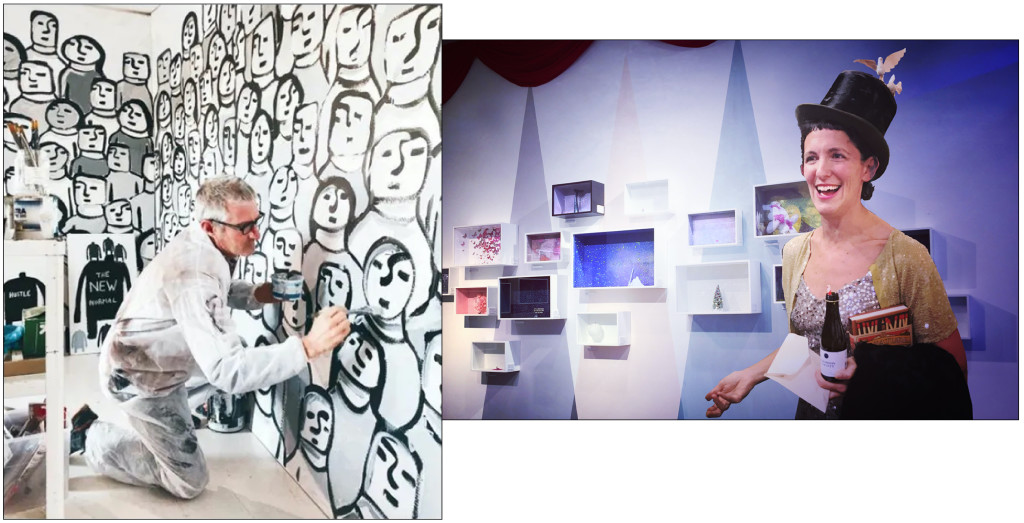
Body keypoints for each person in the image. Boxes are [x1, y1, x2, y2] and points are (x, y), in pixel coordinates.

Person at [705, 69, 966, 419]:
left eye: (837, 155)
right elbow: (803, 346)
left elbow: (953, 370)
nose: (821, 171)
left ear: (868, 167)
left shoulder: (906, 257)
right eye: (812, 157)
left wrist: (872, 374)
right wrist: (752, 374)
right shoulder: (795, 252)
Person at [69, 176, 352, 499]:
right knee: (189, 482)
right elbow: (227, 370)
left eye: (256, 222)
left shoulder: (202, 244)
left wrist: (262, 293)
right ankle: (89, 434)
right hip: (138, 380)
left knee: (238, 352)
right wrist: (309, 346)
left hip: (156, 358)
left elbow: (222, 290)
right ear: (210, 226)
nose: (256, 234)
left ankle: (171, 421)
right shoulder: (193, 275)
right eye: (245, 228)